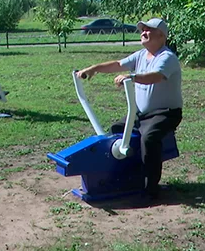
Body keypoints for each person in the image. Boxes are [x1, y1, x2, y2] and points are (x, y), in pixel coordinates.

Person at [77, 18, 182, 199]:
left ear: (161, 36)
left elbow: (156, 76)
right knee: (116, 131)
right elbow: (118, 64)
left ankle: (150, 189)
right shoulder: (141, 55)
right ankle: (124, 177)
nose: (144, 32)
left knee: (149, 138)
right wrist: (94, 68)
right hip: (141, 113)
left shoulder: (167, 57)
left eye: (149, 30)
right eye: (143, 30)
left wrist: (131, 77)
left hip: (165, 113)